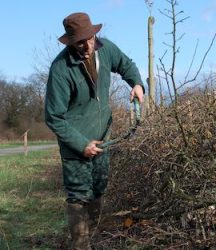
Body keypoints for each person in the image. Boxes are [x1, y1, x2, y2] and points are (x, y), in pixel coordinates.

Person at [45, 12, 144, 249]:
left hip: (103, 137)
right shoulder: (61, 69)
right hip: (75, 143)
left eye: (89, 39)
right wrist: (81, 144)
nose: (86, 45)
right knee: (79, 195)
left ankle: (96, 236)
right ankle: (81, 245)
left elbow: (126, 64)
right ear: (70, 42)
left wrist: (137, 84)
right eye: (80, 41)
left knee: (99, 187)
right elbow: (53, 117)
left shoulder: (106, 49)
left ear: (94, 34)